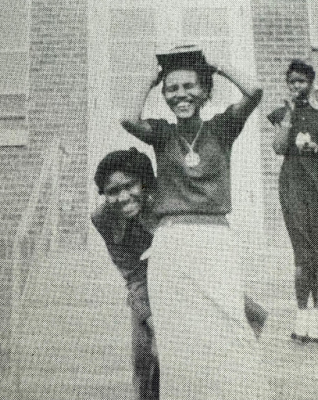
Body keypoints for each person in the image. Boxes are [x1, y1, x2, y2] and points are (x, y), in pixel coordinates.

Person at [120, 46, 264, 398]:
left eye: (189, 86)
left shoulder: (222, 128)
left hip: (215, 239)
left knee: (231, 328)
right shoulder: (163, 134)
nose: (180, 94)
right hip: (172, 242)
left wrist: (218, 66)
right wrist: (151, 80)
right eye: (172, 89)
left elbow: (255, 92)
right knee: (178, 338)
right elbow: (127, 118)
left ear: (205, 91)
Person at [268, 59, 318, 344]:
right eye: (291, 82)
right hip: (292, 184)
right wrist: (289, 115)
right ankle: (301, 315)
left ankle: (317, 317)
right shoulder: (281, 114)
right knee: (303, 254)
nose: (296, 86)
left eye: (301, 81)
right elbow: (279, 148)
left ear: (311, 83)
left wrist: (317, 148)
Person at [91, 148, 159, 400]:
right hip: (145, 285)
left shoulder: (167, 202)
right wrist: (151, 319)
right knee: (145, 357)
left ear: (144, 182)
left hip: (187, 279)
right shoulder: (103, 218)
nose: (122, 197)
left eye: (130, 186)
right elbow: (132, 273)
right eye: (112, 192)